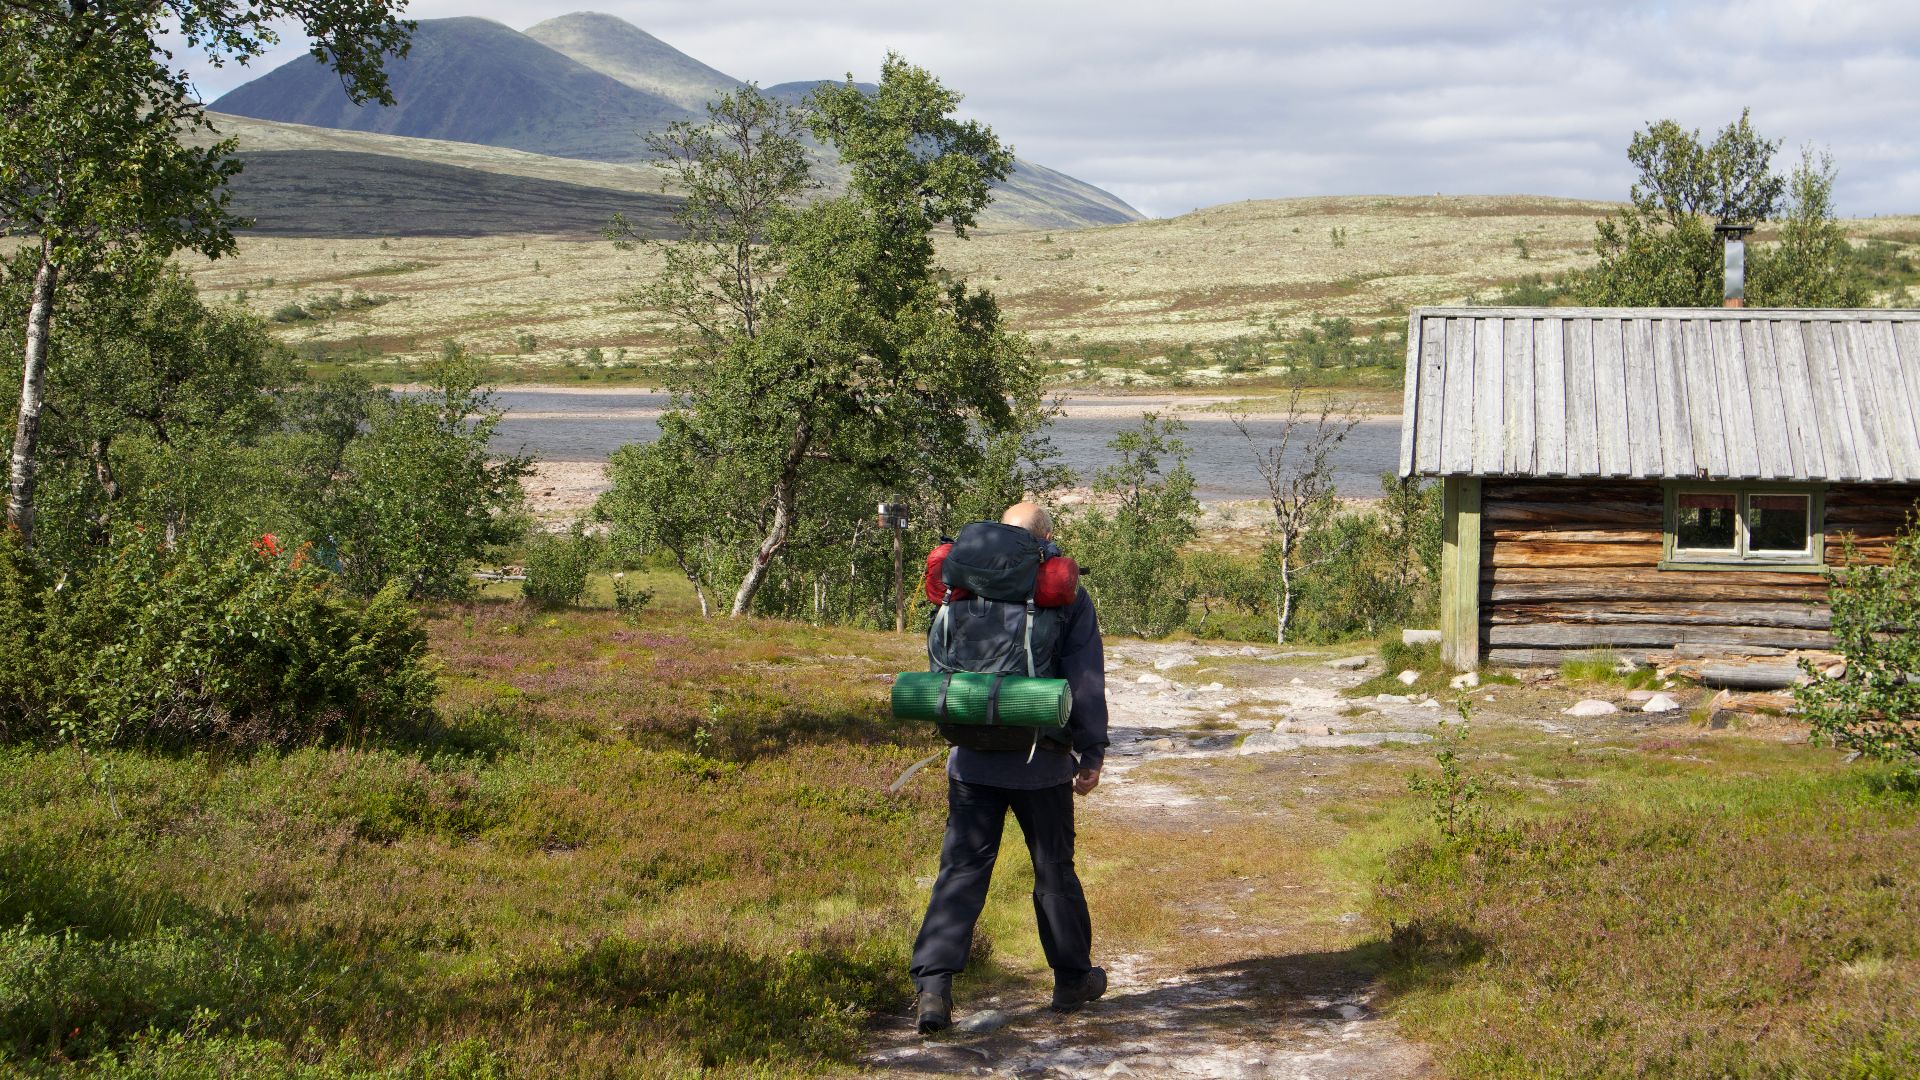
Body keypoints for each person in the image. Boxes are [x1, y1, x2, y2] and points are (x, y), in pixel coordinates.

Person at [909, 501, 1109, 1034]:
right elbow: (1085, 678)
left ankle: (934, 990)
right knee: (1053, 868)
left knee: (961, 870)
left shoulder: (961, 583)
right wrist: (1092, 752)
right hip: (1041, 762)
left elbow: (942, 662)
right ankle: (1072, 980)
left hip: (970, 759)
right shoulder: (1062, 592)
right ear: (1045, 539)